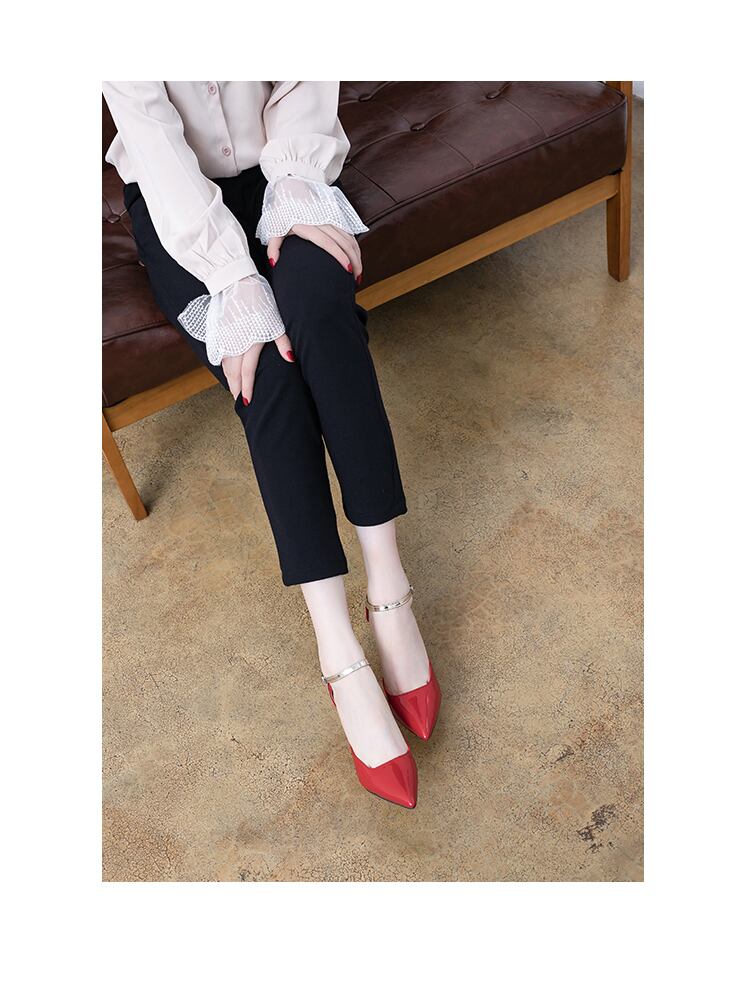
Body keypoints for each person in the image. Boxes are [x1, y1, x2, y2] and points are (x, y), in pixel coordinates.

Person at [103, 81, 441, 808]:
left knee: (320, 311)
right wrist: (233, 275)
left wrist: (292, 182)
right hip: (178, 206)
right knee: (265, 370)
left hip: (288, 165)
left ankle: (389, 591)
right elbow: (156, 144)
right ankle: (336, 645)